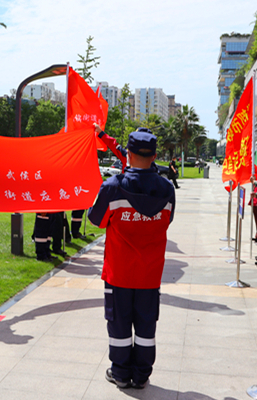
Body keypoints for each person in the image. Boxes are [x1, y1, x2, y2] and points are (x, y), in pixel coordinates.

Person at [89, 127, 175, 390]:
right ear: (155, 155)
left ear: (128, 153)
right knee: (146, 327)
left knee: (119, 324)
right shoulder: (167, 189)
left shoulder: (113, 188)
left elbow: (96, 219)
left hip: (120, 272)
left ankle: (120, 373)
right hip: (150, 275)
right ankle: (141, 375)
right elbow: (167, 221)